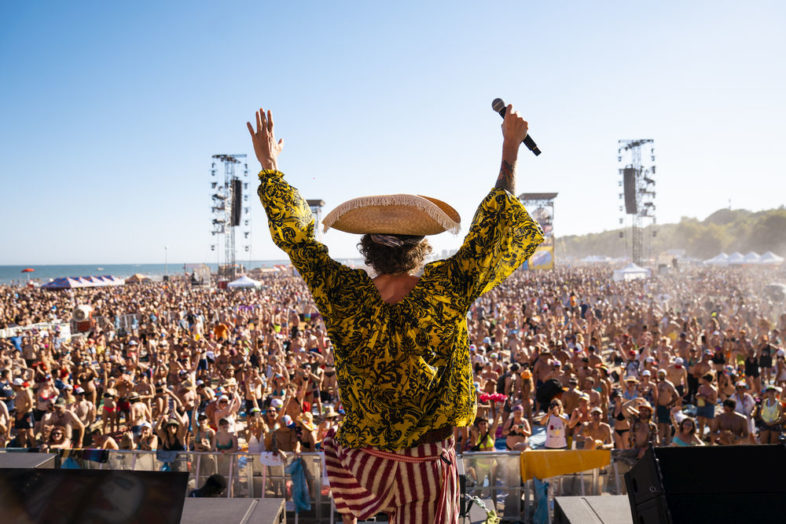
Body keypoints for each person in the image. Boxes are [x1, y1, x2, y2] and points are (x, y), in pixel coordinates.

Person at [248, 104, 543, 524]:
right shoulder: (445, 289)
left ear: (367, 249)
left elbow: (299, 241)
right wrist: (509, 149)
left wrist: (271, 168)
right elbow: (493, 228)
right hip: (426, 466)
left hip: (363, 466)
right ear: (421, 248)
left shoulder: (343, 294)